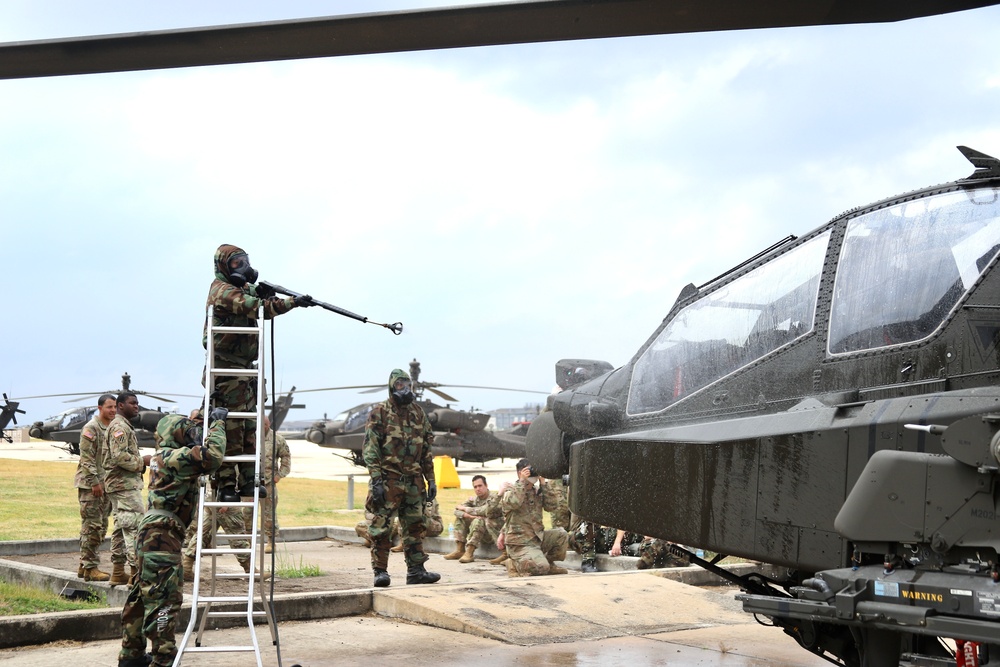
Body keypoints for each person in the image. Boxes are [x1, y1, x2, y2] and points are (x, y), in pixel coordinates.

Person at [118, 408, 228, 667]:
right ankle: (163, 659)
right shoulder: (175, 457)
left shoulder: (161, 456)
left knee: (141, 595)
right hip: (162, 535)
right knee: (164, 599)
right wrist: (218, 424)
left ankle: (131, 656)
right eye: (187, 431)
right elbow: (213, 456)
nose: (192, 435)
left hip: (152, 531)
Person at [204, 243, 313, 502]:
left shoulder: (241, 288)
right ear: (222, 266)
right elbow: (256, 307)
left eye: (244, 261)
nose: (242, 267)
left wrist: (270, 295)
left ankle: (248, 480)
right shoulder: (221, 291)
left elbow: (258, 298)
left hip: (245, 369)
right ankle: (227, 484)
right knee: (231, 425)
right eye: (235, 263)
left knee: (251, 425)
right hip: (226, 367)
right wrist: (292, 303)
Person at [363, 368, 440, 587]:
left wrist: (431, 479)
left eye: (408, 385)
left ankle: (416, 571)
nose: (405, 389)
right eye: (399, 385)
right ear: (391, 387)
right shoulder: (379, 412)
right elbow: (371, 449)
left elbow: (425, 448)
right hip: (389, 479)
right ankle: (380, 571)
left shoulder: (418, 412)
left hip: (414, 480)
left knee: (415, 525)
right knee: (382, 527)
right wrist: (376, 479)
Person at [74, 394, 125, 583]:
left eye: (114, 407)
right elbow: (86, 458)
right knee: (92, 526)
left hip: (106, 485)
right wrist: (94, 482)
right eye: (109, 407)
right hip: (91, 485)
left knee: (101, 527)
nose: (112, 410)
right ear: (100, 408)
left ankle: (84, 564)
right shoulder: (91, 428)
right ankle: (90, 568)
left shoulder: (112, 427)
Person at [104, 391, 151, 581]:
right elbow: (119, 456)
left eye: (137, 403)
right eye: (133, 403)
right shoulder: (119, 427)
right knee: (135, 526)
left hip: (121, 484)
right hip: (123, 484)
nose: (136, 406)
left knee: (121, 526)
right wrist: (143, 461)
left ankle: (117, 571)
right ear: (121, 405)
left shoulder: (123, 426)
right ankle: (136, 574)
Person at [498, 458, 568, 577]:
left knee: (561, 535)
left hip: (537, 538)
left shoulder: (537, 491)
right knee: (541, 568)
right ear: (520, 473)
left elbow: (552, 506)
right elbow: (514, 502)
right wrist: (522, 481)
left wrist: (543, 484)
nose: (534, 473)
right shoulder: (510, 491)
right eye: (530, 470)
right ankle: (513, 564)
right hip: (520, 543)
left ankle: (549, 563)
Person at [444, 474, 502, 564]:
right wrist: (468, 516)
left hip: (493, 535)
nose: (478, 489)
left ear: (486, 486)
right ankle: (460, 549)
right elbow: (456, 511)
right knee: (461, 518)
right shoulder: (474, 500)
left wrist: (469, 511)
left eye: (480, 486)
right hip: (479, 534)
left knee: (479, 520)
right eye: (475, 487)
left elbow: (485, 511)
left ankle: (469, 552)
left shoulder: (494, 499)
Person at [256, 415, 291, 553]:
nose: (262, 427)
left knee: (269, 514)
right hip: (249, 482)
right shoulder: (249, 437)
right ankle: (247, 541)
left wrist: (279, 475)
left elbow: (286, 457)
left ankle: (271, 541)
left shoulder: (277, 439)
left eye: (264, 424)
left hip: (269, 482)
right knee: (246, 513)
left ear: (268, 424)